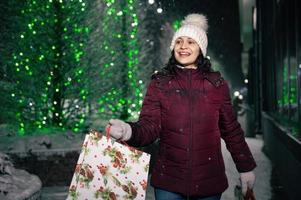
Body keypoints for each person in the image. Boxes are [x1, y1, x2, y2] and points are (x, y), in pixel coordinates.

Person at [106, 13, 256, 200]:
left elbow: (231, 130)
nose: (183, 46)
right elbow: (149, 127)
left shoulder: (216, 84)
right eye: (179, 42)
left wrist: (246, 167)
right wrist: (128, 131)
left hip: (208, 184)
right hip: (168, 183)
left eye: (191, 42)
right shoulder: (160, 83)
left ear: (201, 48)